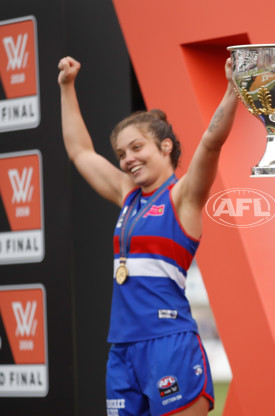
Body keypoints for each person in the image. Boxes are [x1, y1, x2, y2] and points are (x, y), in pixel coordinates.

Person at [58, 56, 237, 416]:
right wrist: (66, 87)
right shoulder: (127, 194)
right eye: (122, 154)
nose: (127, 160)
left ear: (165, 147)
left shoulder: (182, 196)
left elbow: (211, 143)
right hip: (122, 349)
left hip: (168, 344)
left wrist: (233, 89)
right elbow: (80, 152)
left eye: (137, 148)